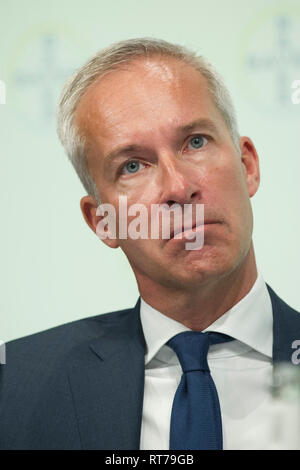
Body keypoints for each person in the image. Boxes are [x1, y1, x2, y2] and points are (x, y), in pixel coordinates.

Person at [1, 38, 299, 450]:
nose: (178, 187)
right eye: (133, 166)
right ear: (101, 221)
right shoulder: (14, 388)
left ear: (247, 165)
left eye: (195, 141)